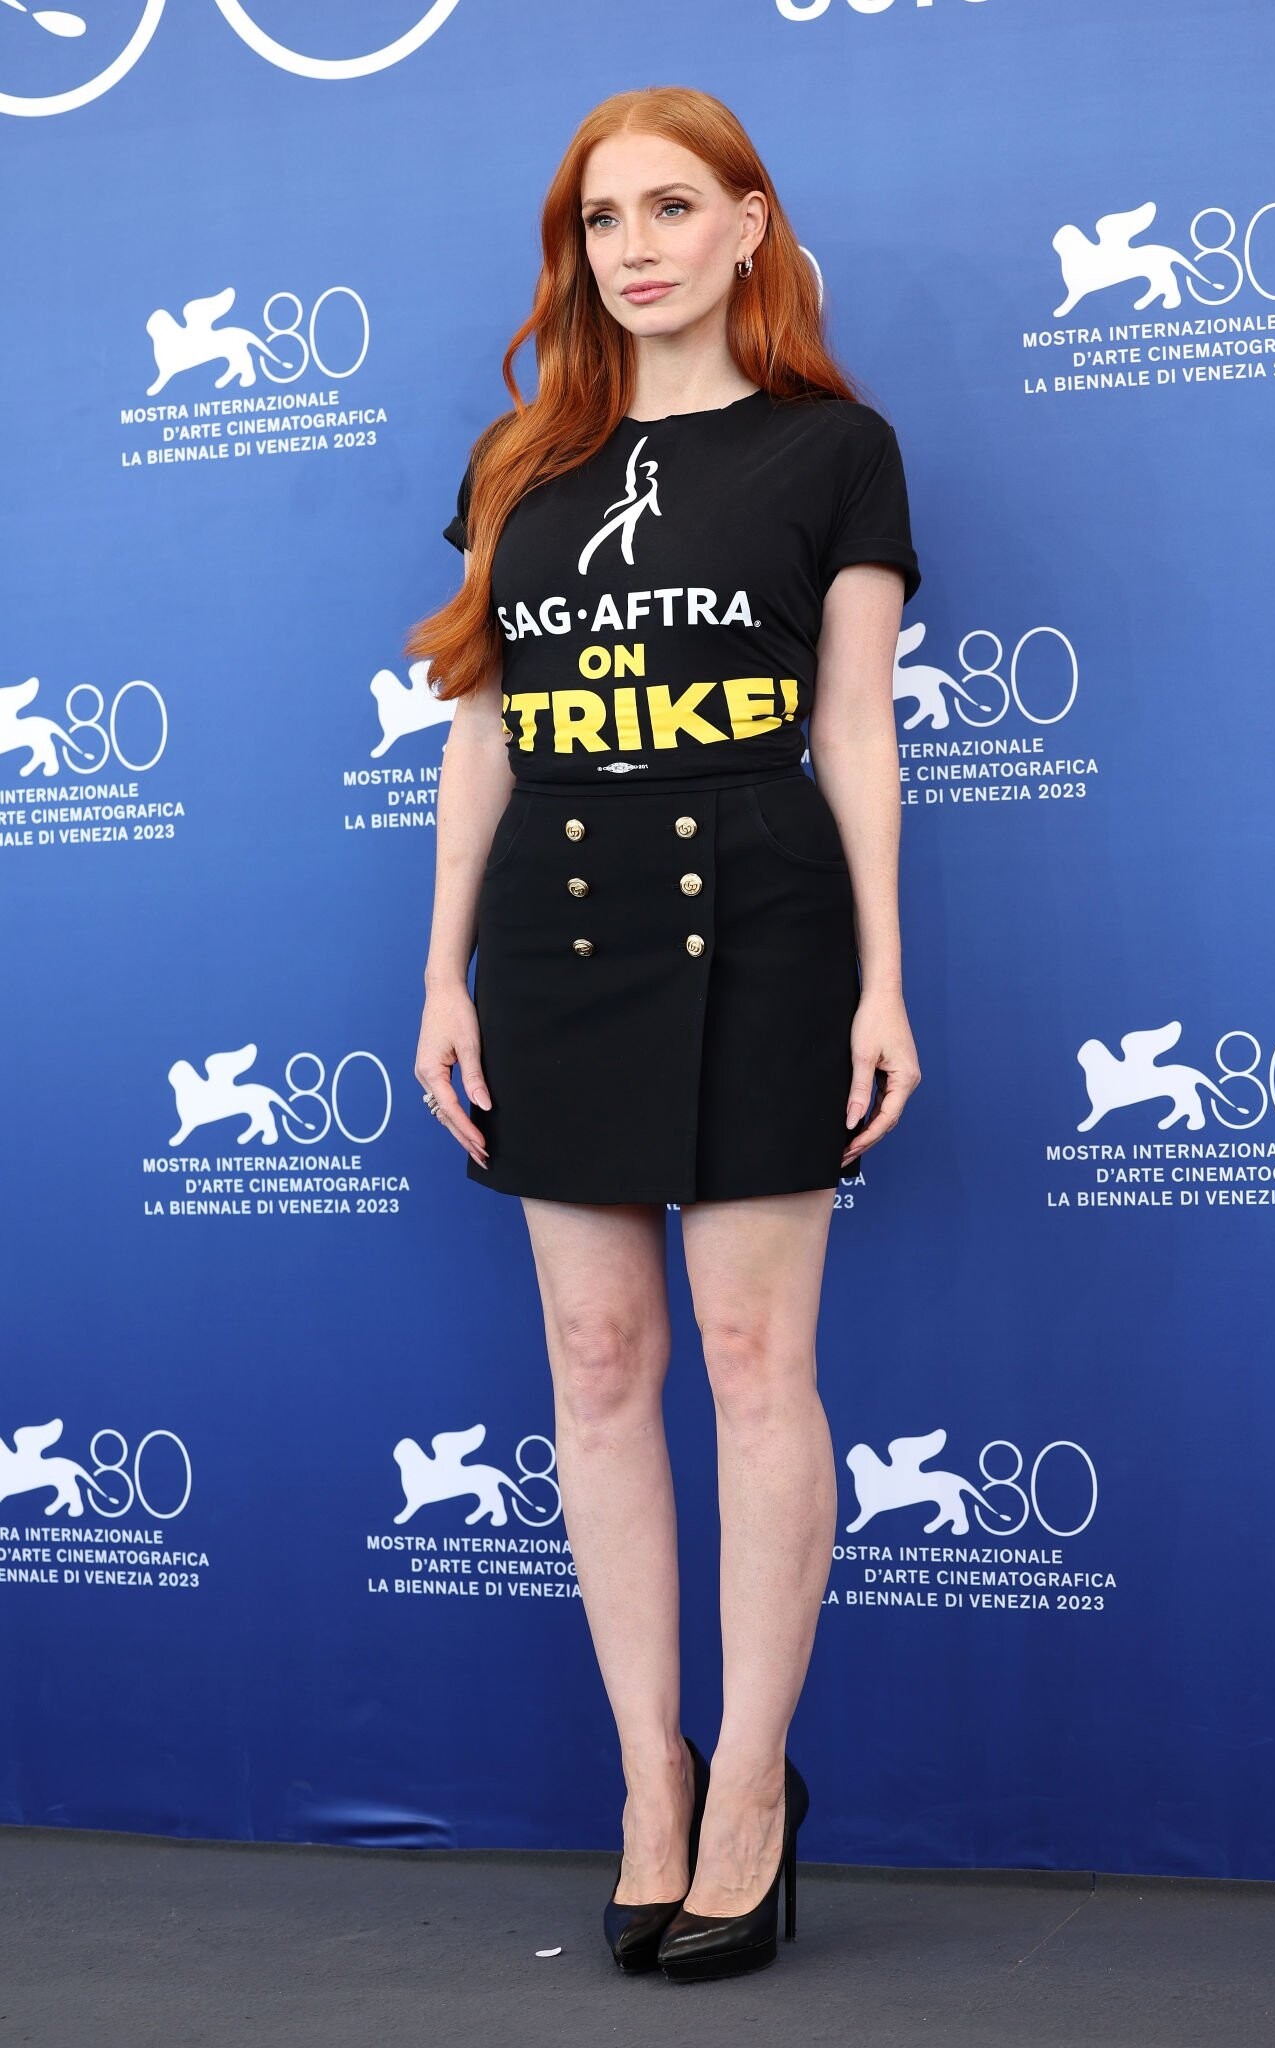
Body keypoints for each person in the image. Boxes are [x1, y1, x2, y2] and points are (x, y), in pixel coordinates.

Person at [407, 84, 923, 1983]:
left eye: (670, 207)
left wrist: (882, 979)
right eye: (601, 220)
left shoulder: (833, 450)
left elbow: (854, 730)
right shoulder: (521, 460)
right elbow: (483, 730)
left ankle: (753, 1795)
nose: (633, 249)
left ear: (746, 224)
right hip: (558, 928)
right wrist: (441, 976)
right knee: (598, 1360)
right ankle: (650, 1783)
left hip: (766, 921)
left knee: (753, 1359)